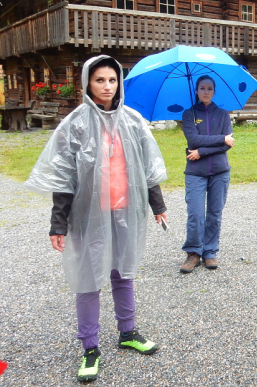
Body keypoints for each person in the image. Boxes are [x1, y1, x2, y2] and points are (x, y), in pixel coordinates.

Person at [25, 55, 169, 383]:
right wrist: (58, 223)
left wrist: (157, 204)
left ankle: (128, 331)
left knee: (123, 271)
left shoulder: (132, 121)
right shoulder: (75, 124)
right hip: (89, 214)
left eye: (112, 80)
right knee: (88, 280)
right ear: (88, 83)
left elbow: (148, 169)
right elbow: (62, 178)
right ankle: (90, 347)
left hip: (126, 211)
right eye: (99, 80)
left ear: (120, 83)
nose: (107, 87)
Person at [180, 75, 234, 273]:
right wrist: (222, 139)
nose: (205, 91)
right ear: (196, 90)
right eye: (202, 88)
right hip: (195, 172)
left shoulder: (223, 114)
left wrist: (201, 152)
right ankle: (193, 252)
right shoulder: (189, 114)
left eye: (209, 88)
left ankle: (210, 252)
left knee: (214, 214)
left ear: (214, 91)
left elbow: (227, 147)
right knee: (195, 214)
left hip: (220, 171)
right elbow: (193, 139)